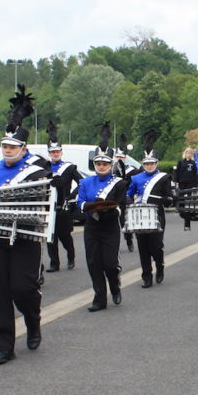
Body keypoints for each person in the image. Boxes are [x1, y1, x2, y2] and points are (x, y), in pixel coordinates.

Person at [0, 86, 49, 366]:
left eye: (12, 147)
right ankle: (4, 345)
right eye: (4, 146)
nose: (8, 150)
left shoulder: (37, 173)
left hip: (24, 238)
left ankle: (33, 320)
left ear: (23, 149)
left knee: (22, 288)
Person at [77, 123, 129, 311]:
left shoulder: (119, 184)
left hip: (110, 227)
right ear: (94, 164)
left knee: (109, 263)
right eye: (98, 163)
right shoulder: (85, 182)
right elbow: (80, 201)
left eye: (105, 163)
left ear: (111, 164)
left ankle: (115, 286)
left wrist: (108, 210)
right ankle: (99, 298)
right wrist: (89, 207)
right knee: (93, 263)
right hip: (92, 227)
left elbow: (121, 207)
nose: (101, 166)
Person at [126, 130, 173, 288]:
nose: (149, 166)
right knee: (143, 247)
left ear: (157, 163)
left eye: (152, 163)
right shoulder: (136, 178)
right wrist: (127, 199)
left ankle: (159, 266)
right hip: (139, 215)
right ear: (143, 164)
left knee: (156, 246)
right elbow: (129, 193)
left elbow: (169, 197)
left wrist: (168, 200)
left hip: (157, 215)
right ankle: (146, 275)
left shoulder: (164, 178)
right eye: (146, 163)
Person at [42, 121, 83, 272]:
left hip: (63, 206)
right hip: (48, 207)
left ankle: (71, 257)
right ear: (49, 153)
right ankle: (54, 263)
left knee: (65, 237)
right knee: (50, 238)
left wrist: (72, 196)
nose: (55, 154)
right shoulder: (44, 167)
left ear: (61, 152)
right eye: (52, 152)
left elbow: (82, 183)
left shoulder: (69, 167)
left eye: (57, 151)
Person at [113, 141, 136, 253]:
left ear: (125, 158)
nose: (119, 159)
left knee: (126, 222)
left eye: (121, 157)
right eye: (117, 156)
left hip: (126, 198)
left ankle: (129, 241)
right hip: (113, 199)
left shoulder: (131, 171)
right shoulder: (111, 170)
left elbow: (133, 185)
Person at [172, 147, 198, 231]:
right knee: (181, 200)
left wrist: (196, 185)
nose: (189, 154)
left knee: (188, 202)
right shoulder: (181, 162)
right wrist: (175, 181)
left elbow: (195, 175)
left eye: (190, 153)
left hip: (190, 184)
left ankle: (187, 223)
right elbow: (177, 172)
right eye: (187, 153)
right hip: (182, 183)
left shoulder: (193, 163)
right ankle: (180, 209)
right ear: (185, 153)